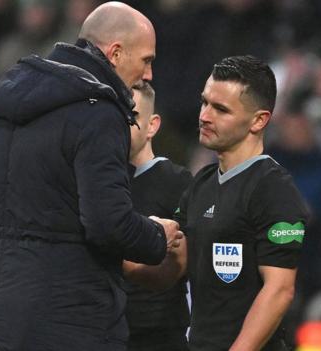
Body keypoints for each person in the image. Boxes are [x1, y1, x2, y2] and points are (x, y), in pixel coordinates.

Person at [0, 2, 183, 350]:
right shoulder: (101, 112)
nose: (149, 74)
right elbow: (107, 222)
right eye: (147, 60)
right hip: (76, 324)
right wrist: (157, 236)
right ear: (116, 53)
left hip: (2, 320)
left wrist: (5, 283)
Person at [125, 55, 309, 350]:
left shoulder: (272, 187)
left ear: (259, 120)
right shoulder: (202, 183)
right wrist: (114, 256)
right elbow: (173, 269)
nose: (205, 116)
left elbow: (280, 290)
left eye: (220, 109)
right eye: (204, 103)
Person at [122, 82, 192, 351]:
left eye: (132, 116)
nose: (122, 124)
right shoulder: (98, 184)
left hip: (160, 334)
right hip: (107, 331)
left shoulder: (178, 182)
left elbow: (182, 262)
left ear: (152, 125)